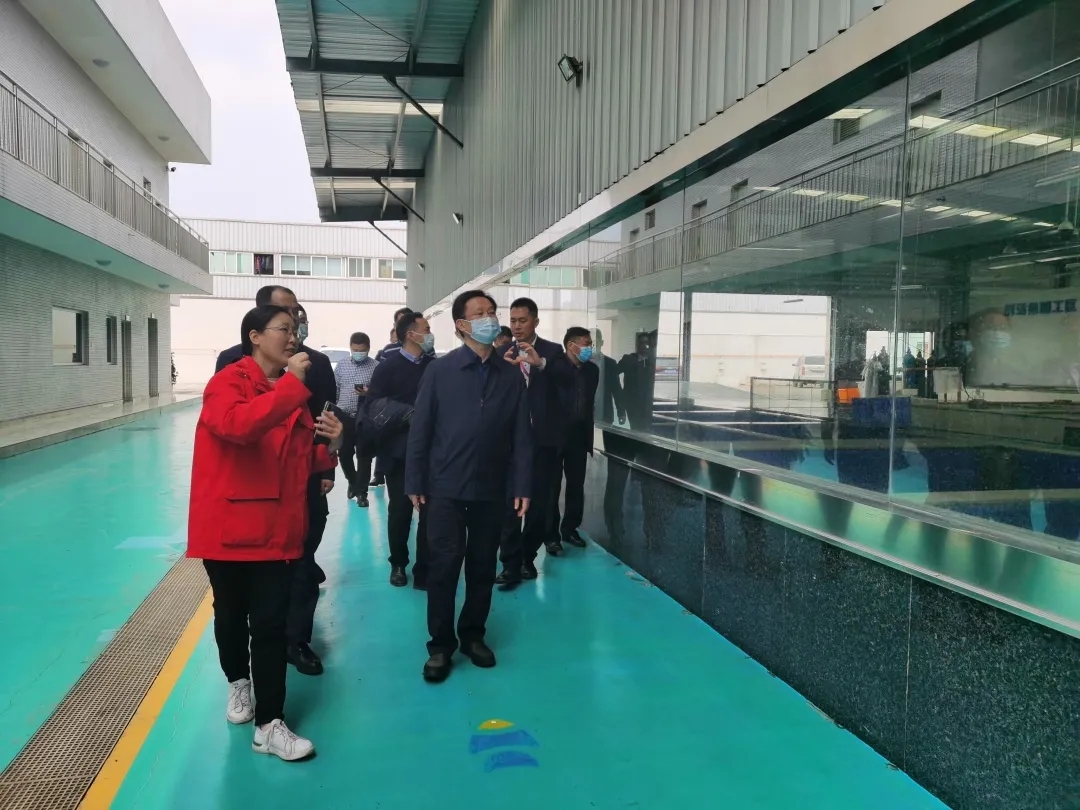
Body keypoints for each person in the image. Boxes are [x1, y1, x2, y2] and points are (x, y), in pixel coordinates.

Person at [188, 304, 344, 761]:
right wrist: (293, 386)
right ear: (255, 336)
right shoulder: (228, 383)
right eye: (283, 329)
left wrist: (331, 446)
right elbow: (239, 427)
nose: (293, 337)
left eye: (296, 330)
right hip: (230, 529)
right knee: (230, 615)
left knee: (272, 626)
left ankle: (270, 724)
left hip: (277, 531)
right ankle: (239, 682)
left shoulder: (290, 392)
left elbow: (295, 459)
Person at [405, 290, 532, 683]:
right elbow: (421, 429)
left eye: (492, 311)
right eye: (480, 313)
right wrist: (414, 480)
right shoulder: (440, 372)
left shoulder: (510, 375)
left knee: (481, 566)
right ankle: (440, 646)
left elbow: (521, 436)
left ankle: (473, 635)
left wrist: (521, 484)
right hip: (444, 487)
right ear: (462, 325)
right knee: (443, 567)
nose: (490, 318)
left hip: (491, 490)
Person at [216, 286, 336, 678]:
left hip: (302, 480)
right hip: (252, 488)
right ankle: (246, 669)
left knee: (302, 565)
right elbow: (234, 426)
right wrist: (290, 383)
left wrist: (327, 467)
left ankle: (296, 641)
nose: (292, 326)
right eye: (282, 317)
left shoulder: (316, 363)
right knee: (248, 593)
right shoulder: (231, 365)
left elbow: (324, 418)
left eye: (295, 315)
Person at [495, 297, 564, 589]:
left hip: (543, 441)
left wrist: (541, 364)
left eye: (522, 320)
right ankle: (510, 564)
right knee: (509, 506)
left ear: (535, 321)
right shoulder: (501, 353)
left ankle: (527, 557)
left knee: (538, 505)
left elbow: (567, 381)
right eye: (512, 320)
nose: (517, 326)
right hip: (509, 443)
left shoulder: (552, 351)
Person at [365, 312, 435, 587]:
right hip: (398, 452)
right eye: (426, 329)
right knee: (400, 511)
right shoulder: (387, 367)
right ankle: (398, 564)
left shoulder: (434, 366)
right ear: (410, 334)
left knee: (430, 511)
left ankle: (424, 568)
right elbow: (373, 406)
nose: (429, 334)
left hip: (431, 450)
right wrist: (408, 414)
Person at [550, 327, 600, 548]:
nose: (590, 348)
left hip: (579, 435)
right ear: (571, 345)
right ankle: (550, 535)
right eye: (586, 344)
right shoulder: (554, 367)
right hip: (554, 436)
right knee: (551, 488)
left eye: (590, 344)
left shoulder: (592, 371)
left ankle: (570, 529)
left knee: (576, 485)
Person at [334, 332, 378, 507]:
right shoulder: (342, 365)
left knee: (364, 456)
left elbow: (381, 392)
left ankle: (362, 494)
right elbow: (336, 388)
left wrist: (369, 393)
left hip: (365, 417)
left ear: (368, 348)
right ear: (350, 348)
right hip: (344, 416)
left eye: (362, 350)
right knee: (344, 454)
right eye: (355, 350)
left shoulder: (376, 367)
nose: (358, 353)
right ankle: (353, 481)